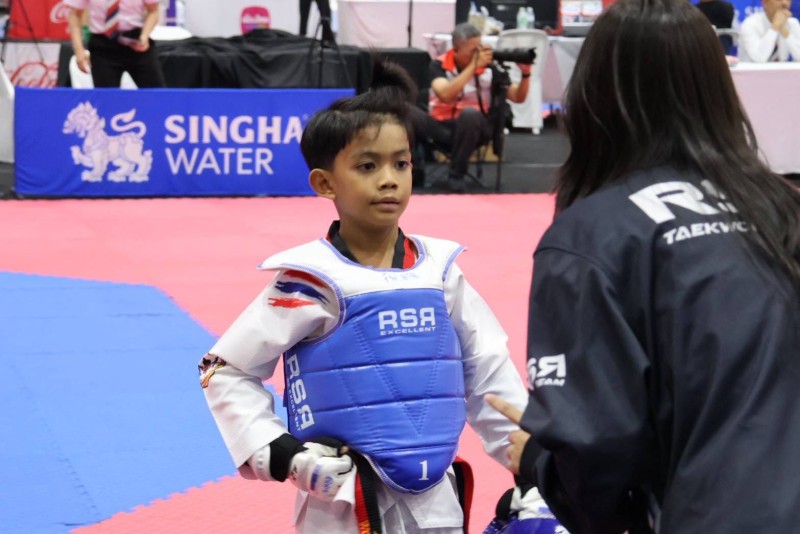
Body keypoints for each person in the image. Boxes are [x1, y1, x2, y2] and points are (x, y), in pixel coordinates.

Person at [485, 0, 800, 532]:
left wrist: (541, 462)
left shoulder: (591, 238)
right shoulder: (782, 209)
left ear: (595, 93)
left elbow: (597, 458)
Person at [199, 58, 531, 533]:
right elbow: (224, 369)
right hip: (340, 502)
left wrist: (532, 461)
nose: (389, 178)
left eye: (401, 163)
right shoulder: (312, 280)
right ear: (325, 183)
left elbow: (488, 371)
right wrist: (283, 454)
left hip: (437, 498)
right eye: (368, 166)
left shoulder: (441, 273)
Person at [411, 23, 531, 192]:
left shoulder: (489, 69)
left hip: (475, 127)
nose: (478, 54)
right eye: (473, 51)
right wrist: (473, 67)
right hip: (440, 125)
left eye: (479, 48)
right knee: (402, 110)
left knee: (470, 114)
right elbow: (445, 94)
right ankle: (414, 168)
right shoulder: (438, 65)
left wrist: (526, 74)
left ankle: (456, 174)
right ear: (456, 50)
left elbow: (518, 97)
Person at [65, 0, 166, 88]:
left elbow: (153, 11)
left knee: (158, 95)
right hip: (103, 47)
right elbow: (74, 14)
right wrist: (79, 50)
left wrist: (144, 35)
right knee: (106, 98)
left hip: (136, 42)